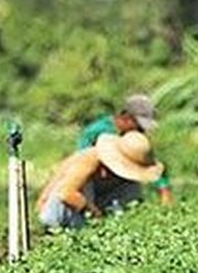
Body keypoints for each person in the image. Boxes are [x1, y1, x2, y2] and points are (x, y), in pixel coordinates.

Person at [36, 132, 164, 230]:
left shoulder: (126, 181)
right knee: (81, 190)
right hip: (57, 214)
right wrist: (96, 216)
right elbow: (66, 194)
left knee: (132, 191)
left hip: (95, 208)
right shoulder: (89, 160)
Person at [77, 94, 173, 205]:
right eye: (138, 124)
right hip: (94, 183)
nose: (141, 130)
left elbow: (149, 162)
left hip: (120, 184)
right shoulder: (96, 131)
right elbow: (81, 162)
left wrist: (164, 188)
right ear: (126, 117)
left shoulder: (136, 137)